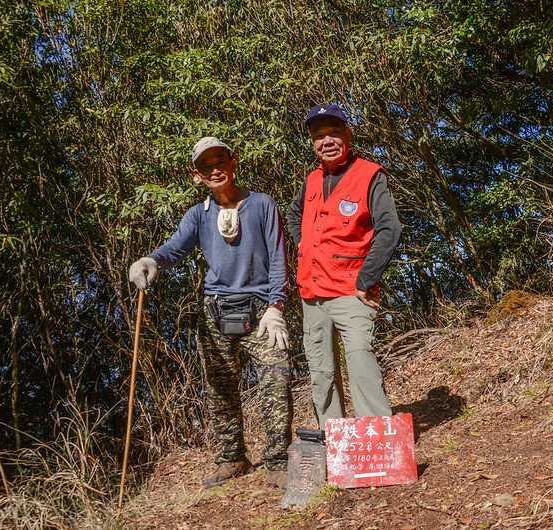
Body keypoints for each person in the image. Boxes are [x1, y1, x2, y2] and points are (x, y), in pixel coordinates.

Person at [128, 137, 292, 490]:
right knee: (219, 387)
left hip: (260, 309)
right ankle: (233, 457)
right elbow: (176, 247)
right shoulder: (198, 214)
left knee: (275, 383)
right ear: (197, 175)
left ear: (233, 162)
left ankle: (278, 460)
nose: (215, 169)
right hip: (215, 309)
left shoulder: (262, 205)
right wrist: (152, 260)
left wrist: (276, 306)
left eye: (220, 160)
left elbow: (279, 258)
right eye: (206, 166)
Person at [286, 104, 402, 429]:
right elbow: (294, 215)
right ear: (312, 142)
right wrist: (301, 241)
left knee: (361, 362)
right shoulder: (311, 180)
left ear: (347, 135)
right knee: (321, 372)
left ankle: (377, 437)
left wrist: (367, 279)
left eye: (334, 133)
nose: (327, 141)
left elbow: (390, 228)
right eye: (319, 136)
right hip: (312, 293)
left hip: (352, 290)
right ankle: (332, 439)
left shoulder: (370, 175)